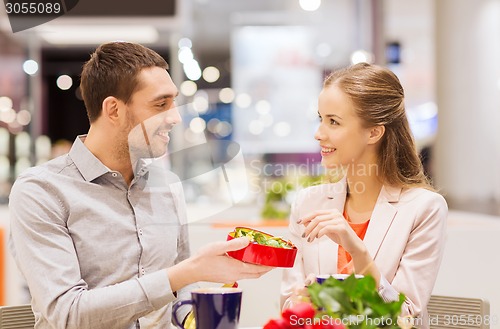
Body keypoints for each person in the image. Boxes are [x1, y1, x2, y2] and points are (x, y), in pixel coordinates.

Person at [9, 41, 272, 329]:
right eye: (161, 104)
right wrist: (186, 272)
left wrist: (195, 319)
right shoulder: (41, 191)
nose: (174, 117)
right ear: (113, 110)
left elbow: (179, 288)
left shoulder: (167, 185)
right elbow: (69, 314)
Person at [281, 63, 447, 328]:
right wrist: (303, 301)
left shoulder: (424, 208)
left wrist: (358, 251)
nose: (319, 133)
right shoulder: (307, 203)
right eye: (320, 118)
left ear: (374, 132)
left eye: (333, 121)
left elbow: (406, 317)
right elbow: (289, 305)